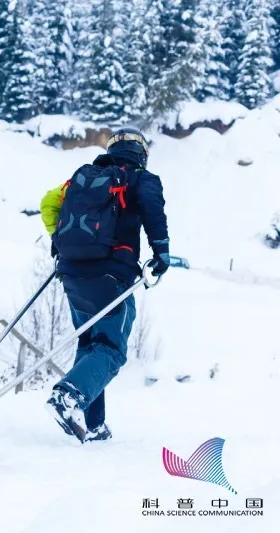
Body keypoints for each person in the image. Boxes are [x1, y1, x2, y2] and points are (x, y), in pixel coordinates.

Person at [40, 127, 169, 443]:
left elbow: (48, 203)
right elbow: (153, 210)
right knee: (111, 349)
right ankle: (68, 396)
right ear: (141, 153)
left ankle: (95, 425)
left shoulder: (82, 179)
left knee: (90, 345)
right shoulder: (141, 178)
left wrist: (58, 242)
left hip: (72, 272)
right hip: (112, 273)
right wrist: (161, 251)